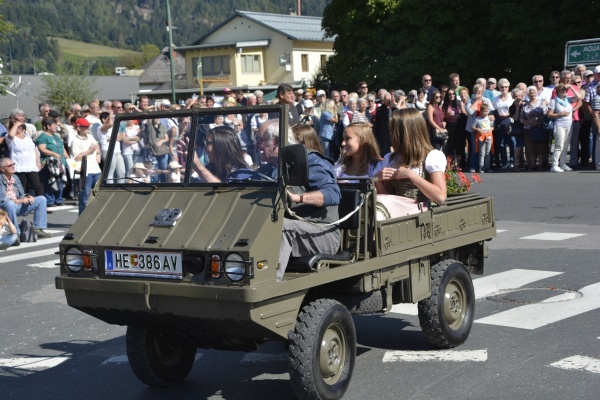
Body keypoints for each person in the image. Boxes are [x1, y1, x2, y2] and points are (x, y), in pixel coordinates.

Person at [277, 136, 341, 282]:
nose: (256, 145)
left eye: (260, 140)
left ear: (276, 142)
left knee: (280, 228)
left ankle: (269, 289)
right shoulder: (269, 166)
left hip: (323, 233)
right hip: (299, 231)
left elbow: (333, 194)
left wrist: (297, 197)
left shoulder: (310, 161)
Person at [373, 108, 447, 217]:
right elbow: (387, 197)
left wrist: (410, 175)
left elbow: (440, 196)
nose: (391, 133)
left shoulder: (431, 156)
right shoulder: (391, 158)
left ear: (405, 133)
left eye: (394, 129)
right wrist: (378, 180)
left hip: (419, 213)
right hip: (396, 212)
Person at [0, 157, 51, 238]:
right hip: (4, 209)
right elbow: (2, 201)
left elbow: (21, 194)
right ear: (2, 169)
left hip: (17, 206)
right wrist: (20, 200)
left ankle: (38, 229)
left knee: (41, 199)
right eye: (10, 165)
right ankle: (16, 233)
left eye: (13, 164)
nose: (13, 166)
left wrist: (27, 197)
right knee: (10, 204)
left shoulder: (15, 177)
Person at [5, 119, 44, 197]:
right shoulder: (10, 138)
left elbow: (34, 149)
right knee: (21, 187)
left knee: (37, 186)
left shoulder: (27, 137)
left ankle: (42, 203)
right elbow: (11, 135)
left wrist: (38, 161)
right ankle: (23, 205)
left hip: (31, 165)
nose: (18, 128)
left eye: (20, 126)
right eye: (16, 126)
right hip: (19, 166)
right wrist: (16, 124)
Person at [71, 118, 101, 214]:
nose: (88, 128)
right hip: (86, 171)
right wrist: (90, 151)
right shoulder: (75, 141)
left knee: (99, 193)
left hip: (96, 169)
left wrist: (98, 154)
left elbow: (97, 145)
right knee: (85, 196)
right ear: (79, 128)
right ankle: (82, 218)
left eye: (88, 126)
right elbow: (77, 157)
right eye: (85, 126)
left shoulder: (90, 137)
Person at [36, 117, 68, 207]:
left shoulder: (56, 136)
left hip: (60, 163)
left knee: (60, 182)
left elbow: (62, 148)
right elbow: (42, 149)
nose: (56, 127)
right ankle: (50, 201)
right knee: (49, 182)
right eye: (54, 125)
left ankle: (59, 200)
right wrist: (53, 153)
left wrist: (68, 159)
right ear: (48, 126)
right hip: (49, 164)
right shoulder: (43, 137)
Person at [466, 84, 495, 172]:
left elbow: (492, 112)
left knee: (486, 150)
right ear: (474, 92)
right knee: (475, 149)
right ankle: (473, 166)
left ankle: (486, 166)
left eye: (481, 92)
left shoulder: (486, 100)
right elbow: (470, 112)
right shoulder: (470, 101)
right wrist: (475, 101)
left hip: (485, 130)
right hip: (474, 128)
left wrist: (492, 117)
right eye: (477, 92)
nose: (479, 94)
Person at [521, 85, 549, 170]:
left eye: (533, 92)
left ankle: (540, 164)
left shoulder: (541, 103)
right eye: (530, 93)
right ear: (527, 94)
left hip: (539, 127)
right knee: (530, 147)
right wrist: (527, 122)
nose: (532, 94)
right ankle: (532, 164)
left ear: (536, 93)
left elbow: (545, 115)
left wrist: (537, 120)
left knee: (540, 146)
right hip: (528, 129)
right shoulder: (525, 104)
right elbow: (521, 118)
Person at [547, 84, 574, 172]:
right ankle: (554, 165)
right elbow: (549, 114)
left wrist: (571, 87)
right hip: (559, 125)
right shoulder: (554, 101)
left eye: (565, 91)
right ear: (558, 92)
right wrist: (560, 115)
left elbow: (579, 97)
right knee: (559, 145)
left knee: (566, 146)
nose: (564, 92)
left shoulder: (568, 99)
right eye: (562, 91)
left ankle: (562, 164)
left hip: (569, 125)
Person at [493, 78, 515, 169]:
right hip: (500, 124)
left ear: (509, 87)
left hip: (510, 123)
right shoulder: (496, 99)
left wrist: (507, 115)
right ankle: (504, 162)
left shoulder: (512, 97)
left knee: (512, 143)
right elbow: (493, 111)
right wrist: (498, 117)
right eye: (502, 87)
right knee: (501, 144)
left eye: (506, 87)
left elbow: (515, 110)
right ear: (499, 87)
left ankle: (512, 162)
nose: (504, 89)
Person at [442, 87, 465, 165]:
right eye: (449, 94)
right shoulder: (445, 104)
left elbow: (464, 114)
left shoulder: (459, 103)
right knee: (450, 145)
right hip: (450, 125)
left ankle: (458, 165)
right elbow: (443, 117)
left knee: (459, 145)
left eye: (453, 94)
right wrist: (448, 115)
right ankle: (450, 165)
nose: (451, 95)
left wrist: (458, 114)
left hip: (458, 125)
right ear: (447, 96)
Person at [472, 103, 494, 173]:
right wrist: (478, 129)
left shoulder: (489, 118)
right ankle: (481, 167)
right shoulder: (477, 119)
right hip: (481, 137)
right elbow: (473, 127)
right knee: (482, 153)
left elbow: (493, 126)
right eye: (484, 111)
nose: (485, 113)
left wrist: (491, 129)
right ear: (481, 111)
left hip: (488, 137)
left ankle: (487, 167)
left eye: (487, 111)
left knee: (488, 152)